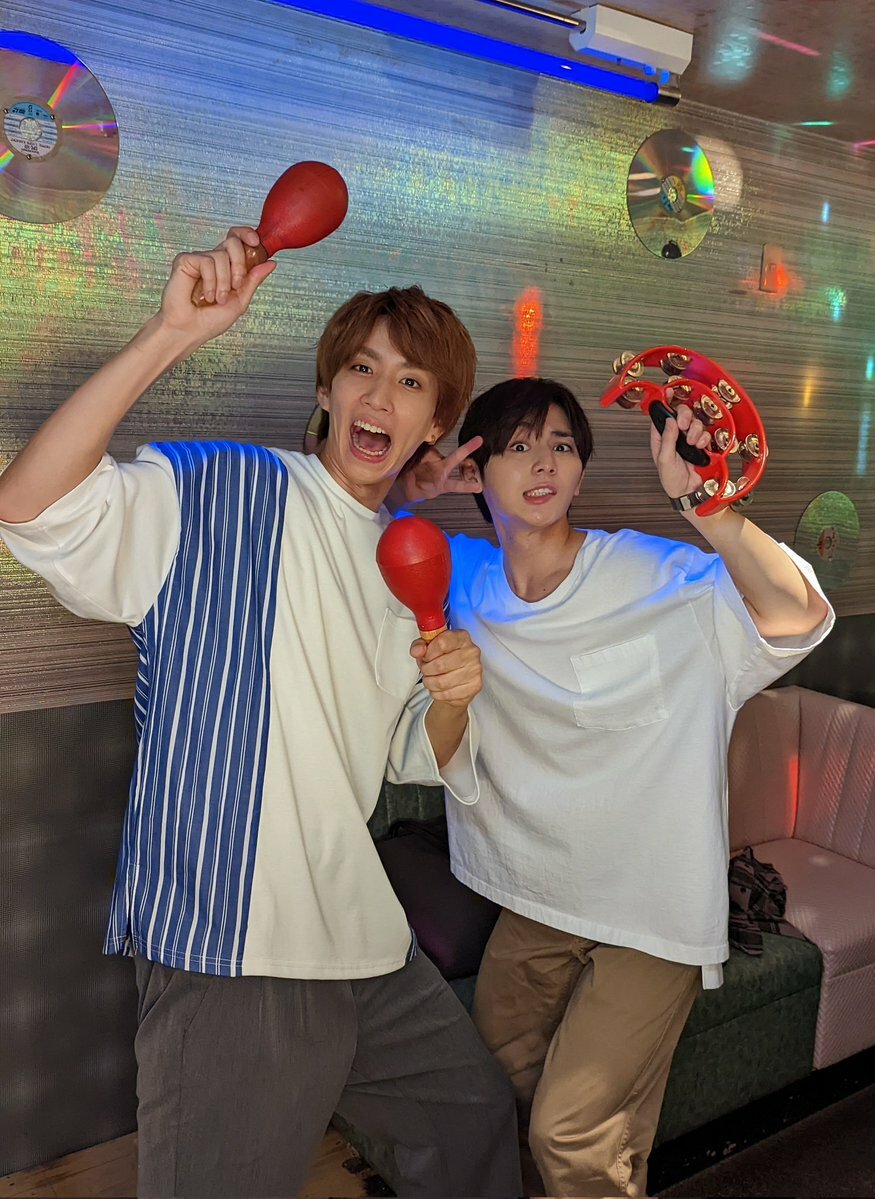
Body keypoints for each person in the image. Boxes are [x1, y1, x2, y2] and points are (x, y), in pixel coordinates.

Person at [0, 228, 521, 1199]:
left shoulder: (402, 559)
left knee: (473, 1126)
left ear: (434, 422)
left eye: (410, 382)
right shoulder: (219, 488)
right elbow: (29, 505)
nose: (380, 394)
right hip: (235, 945)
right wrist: (169, 334)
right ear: (327, 388)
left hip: (362, 937)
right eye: (362, 368)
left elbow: (414, 752)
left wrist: (453, 696)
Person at [394, 375, 833, 1198]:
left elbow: (793, 615)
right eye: (518, 445)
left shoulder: (645, 572)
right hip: (537, 894)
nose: (543, 462)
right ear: (476, 470)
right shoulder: (465, 577)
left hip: (650, 910)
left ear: (579, 470)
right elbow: (358, 531)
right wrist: (410, 487)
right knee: (495, 1074)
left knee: (569, 1130)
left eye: (561, 445)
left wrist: (707, 507)